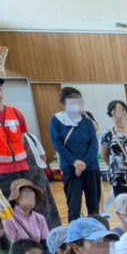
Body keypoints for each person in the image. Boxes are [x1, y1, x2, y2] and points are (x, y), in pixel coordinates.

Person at [50, 87, 101, 221]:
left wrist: (84, 162)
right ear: (63, 103)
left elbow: (94, 144)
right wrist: (74, 162)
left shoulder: (86, 120)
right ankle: (76, 239)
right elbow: (58, 145)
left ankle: (95, 235)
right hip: (71, 169)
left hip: (91, 167)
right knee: (74, 207)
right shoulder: (56, 120)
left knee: (94, 207)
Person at [3, 179, 48, 243]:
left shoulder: (40, 218)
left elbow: (46, 243)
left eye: (32, 195)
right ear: (16, 198)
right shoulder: (9, 220)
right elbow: (10, 247)